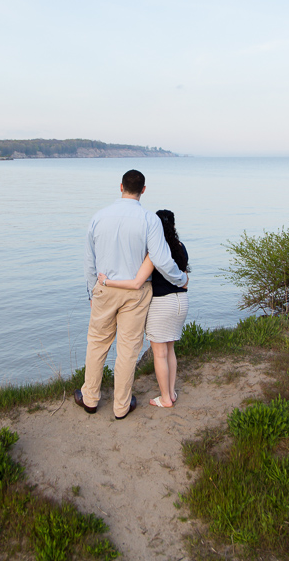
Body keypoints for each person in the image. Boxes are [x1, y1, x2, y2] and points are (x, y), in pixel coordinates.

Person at [78, 170, 188, 419]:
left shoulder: (98, 217)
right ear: (144, 190)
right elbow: (161, 259)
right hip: (136, 293)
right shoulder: (149, 219)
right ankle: (121, 406)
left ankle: (90, 399)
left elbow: (89, 261)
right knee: (128, 350)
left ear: (120, 187)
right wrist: (180, 279)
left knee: (97, 344)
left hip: (105, 289)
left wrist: (92, 291)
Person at [98, 209, 189, 409]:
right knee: (170, 349)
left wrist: (107, 282)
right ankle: (171, 392)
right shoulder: (181, 247)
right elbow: (184, 278)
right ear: (173, 226)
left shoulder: (156, 253)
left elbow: (136, 283)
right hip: (181, 302)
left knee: (159, 353)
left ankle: (165, 398)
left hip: (162, 304)